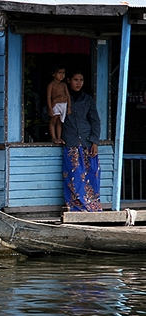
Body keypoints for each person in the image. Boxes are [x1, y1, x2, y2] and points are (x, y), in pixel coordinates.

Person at [62, 70, 102, 212]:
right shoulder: (63, 98)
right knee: (73, 177)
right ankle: (76, 208)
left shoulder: (87, 99)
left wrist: (95, 141)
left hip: (87, 142)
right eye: (75, 79)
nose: (78, 83)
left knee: (92, 174)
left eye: (81, 80)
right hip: (71, 141)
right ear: (68, 80)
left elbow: (95, 121)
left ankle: (92, 208)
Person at [47, 67, 71, 144]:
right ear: (53, 74)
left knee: (60, 121)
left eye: (63, 73)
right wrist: (50, 108)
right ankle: (53, 137)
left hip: (64, 105)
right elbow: (49, 97)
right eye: (59, 73)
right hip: (56, 105)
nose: (62, 75)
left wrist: (69, 107)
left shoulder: (64, 85)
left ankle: (59, 137)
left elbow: (68, 96)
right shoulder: (51, 85)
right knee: (54, 120)